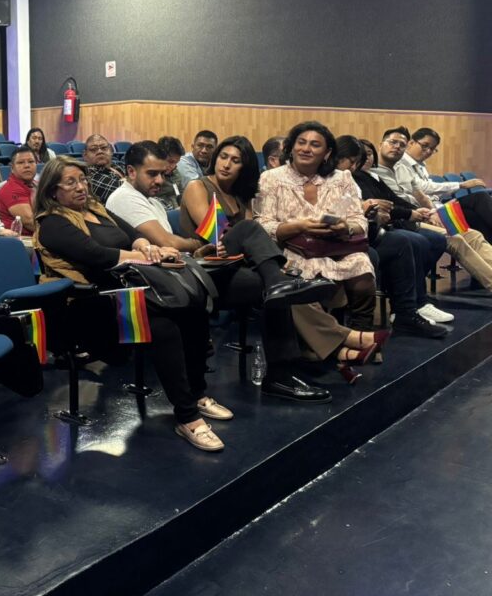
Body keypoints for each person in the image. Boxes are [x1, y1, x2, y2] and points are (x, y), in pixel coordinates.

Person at [108, 139, 334, 402]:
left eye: (236, 160)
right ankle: (283, 369)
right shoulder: (129, 198)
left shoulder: (154, 200)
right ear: (131, 171)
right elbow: (176, 242)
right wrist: (197, 247)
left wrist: (196, 250)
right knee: (256, 250)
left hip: (195, 270)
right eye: (152, 174)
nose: (160, 180)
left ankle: (283, 359)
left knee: (272, 287)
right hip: (171, 281)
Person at [33, 156, 232, 451]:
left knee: (190, 308)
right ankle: (188, 416)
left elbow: (133, 235)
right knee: (163, 325)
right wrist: (148, 255)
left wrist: (144, 245)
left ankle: (197, 394)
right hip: (87, 304)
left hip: (125, 293)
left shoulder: (97, 210)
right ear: (52, 191)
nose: (81, 187)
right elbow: (98, 255)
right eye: (70, 183)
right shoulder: (52, 223)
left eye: (83, 180)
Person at [254, 121, 382, 383]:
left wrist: (344, 227)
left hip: (335, 247)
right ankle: (348, 347)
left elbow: (359, 220)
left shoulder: (341, 178)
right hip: (292, 248)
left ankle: (359, 335)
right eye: (301, 142)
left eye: (315, 144)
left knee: (362, 269)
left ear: (327, 152)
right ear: (291, 148)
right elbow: (262, 225)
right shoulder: (272, 178)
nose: (306, 149)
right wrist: (298, 226)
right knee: (299, 281)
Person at [338, 136, 451, 337]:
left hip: (370, 230)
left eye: (365, 156)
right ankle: (365, 326)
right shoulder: (340, 178)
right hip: (346, 237)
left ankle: (408, 310)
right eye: (354, 159)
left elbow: (392, 200)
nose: (359, 163)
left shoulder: (364, 176)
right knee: (404, 242)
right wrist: (370, 212)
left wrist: (376, 214)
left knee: (413, 241)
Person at [372, 126, 492, 293]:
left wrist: (433, 212)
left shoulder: (402, 168)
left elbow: (419, 193)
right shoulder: (373, 172)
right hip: (405, 219)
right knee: (456, 237)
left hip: (424, 213)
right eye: (393, 142)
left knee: (473, 234)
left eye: (401, 144)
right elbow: (395, 204)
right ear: (380, 145)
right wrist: (422, 213)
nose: (397, 147)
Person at [400, 127, 492, 242]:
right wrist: (461, 185)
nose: (428, 151)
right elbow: (423, 187)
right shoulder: (401, 163)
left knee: (474, 216)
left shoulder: (420, 165)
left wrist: (443, 200)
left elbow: (432, 190)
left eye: (432, 149)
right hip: (425, 212)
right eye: (425, 145)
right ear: (411, 143)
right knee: (479, 197)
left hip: (437, 207)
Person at [0, 147, 38, 234]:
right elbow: (30, 223)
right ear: (12, 168)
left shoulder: (37, 184)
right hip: (20, 240)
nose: (27, 166)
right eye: (21, 162)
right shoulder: (10, 189)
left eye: (31, 162)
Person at [82, 134, 125, 204]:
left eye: (104, 148)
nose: (100, 151)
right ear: (85, 155)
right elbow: (127, 192)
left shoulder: (117, 165)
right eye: (93, 149)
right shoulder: (89, 176)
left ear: (111, 151)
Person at [154, 136, 185, 211]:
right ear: (159, 156)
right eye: (170, 161)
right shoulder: (153, 176)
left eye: (176, 162)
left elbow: (182, 195)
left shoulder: (176, 173)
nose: (173, 166)